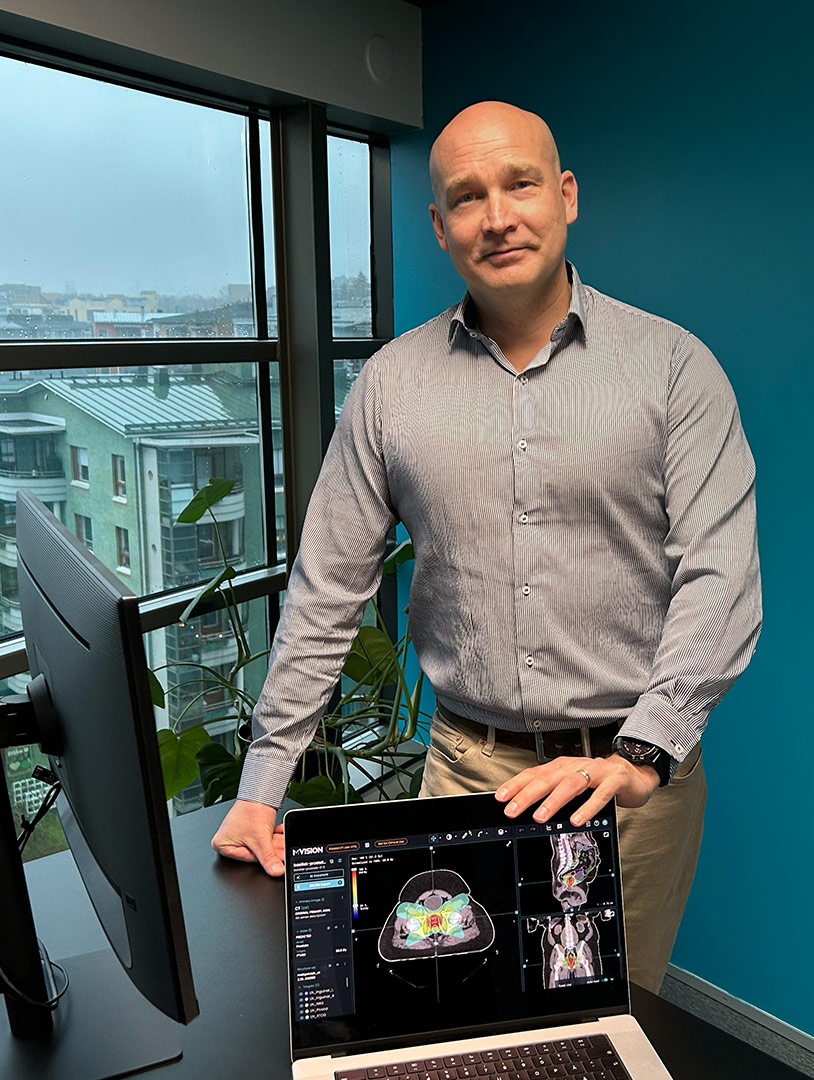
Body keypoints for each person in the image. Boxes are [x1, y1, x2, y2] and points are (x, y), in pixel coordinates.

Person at [209, 101, 762, 991]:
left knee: (604, 1033)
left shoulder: (673, 368)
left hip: (625, 780)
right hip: (468, 772)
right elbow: (325, 592)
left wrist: (643, 754)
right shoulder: (391, 387)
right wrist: (261, 786)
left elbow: (721, 578)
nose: (498, 216)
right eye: (467, 197)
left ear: (567, 195)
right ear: (439, 226)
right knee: (457, 1021)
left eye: (521, 184)